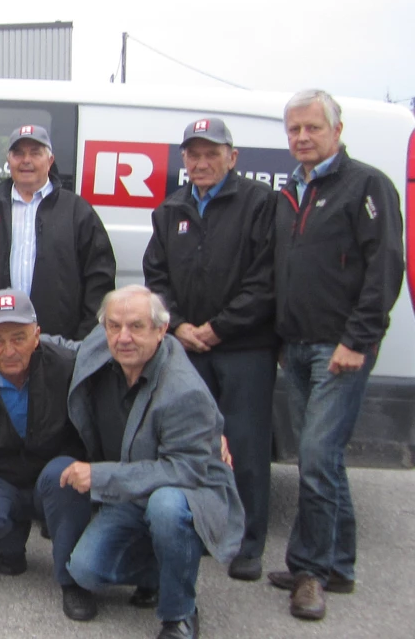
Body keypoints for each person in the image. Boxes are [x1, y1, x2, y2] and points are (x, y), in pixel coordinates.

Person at [268, 89, 403, 621]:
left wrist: (358, 338)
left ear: (336, 131)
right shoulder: (290, 192)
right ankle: (340, 564)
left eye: (312, 129)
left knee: (317, 459)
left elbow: (384, 266)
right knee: (324, 458)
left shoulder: (365, 185)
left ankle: (311, 572)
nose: (302, 137)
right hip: (296, 346)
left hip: (339, 347)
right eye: (294, 130)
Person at [63, 286, 244, 639]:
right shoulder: (106, 347)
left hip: (186, 491)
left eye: (136, 326)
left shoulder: (183, 390)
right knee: (84, 571)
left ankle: (180, 613)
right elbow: (64, 347)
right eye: (113, 326)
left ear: (162, 330)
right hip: (132, 490)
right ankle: (158, 572)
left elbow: (183, 470)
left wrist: (100, 475)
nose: (123, 337)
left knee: (167, 508)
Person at [142, 116, 278, 582]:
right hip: (187, 347)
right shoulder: (171, 209)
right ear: (183, 160)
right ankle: (199, 529)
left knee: (244, 445)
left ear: (232, 158)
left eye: (211, 154)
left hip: (245, 347)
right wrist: (178, 326)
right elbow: (155, 278)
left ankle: (245, 544)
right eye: (193, 154)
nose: (201, 162)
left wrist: (219, 328)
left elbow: (266, 280)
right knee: (190, 442)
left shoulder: (260, 203)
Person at [0, 289, 96, 621]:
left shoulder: (66, 366)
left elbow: (111, 349)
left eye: (19, 337)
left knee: (66, 478)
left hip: (52, 476)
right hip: (3, 476)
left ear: (37, 335)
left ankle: (71, 580)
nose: (9, 350)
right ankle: (12, 545)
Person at [0, 124, 115, 346]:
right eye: (18, 153)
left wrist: (86, 335)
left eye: (35, 153)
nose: (26, 160)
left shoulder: (77, 211)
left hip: (59, 343)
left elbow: (99, 278)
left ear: (50, 161)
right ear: (9, 161)